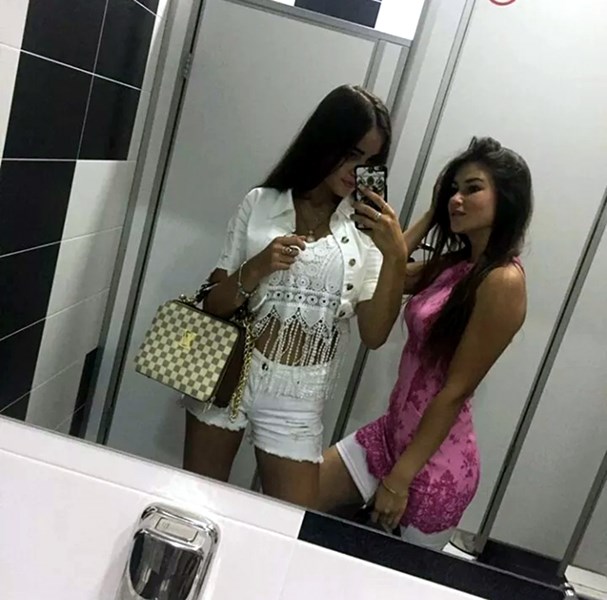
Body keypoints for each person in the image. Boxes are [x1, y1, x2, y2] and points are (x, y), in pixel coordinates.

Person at [182, 85, 409, 508]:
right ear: (325, 141)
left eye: (370, 161)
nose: (357, 170)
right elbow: (213, 304)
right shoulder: (261, 203)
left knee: (290, 524)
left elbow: (375, 334)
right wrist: (257, 267)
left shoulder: (367, 232)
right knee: (196, 505)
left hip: (298, 397)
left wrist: (395, 255)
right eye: (352, 153)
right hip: (229, 372)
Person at [319, 137, 533, 551]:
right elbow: (390, 272)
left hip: (433, 469)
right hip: (389, 435)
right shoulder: (457, 266)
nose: (457, 199)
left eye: (472, 189)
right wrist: (433, 211)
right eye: (452, 189)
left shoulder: (503, 281)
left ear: (506, 198)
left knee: (389, 578)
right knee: (297, 496)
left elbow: (455, 391)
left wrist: (399, 481)